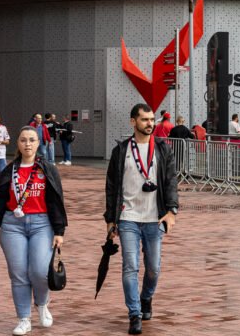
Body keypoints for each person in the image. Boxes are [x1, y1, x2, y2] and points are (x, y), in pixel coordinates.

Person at [0, 126, 67, 336]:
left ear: (38, 143)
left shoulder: (48, 169)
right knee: (18, 274)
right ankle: (24, 319)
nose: (28, 144)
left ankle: (42, 303)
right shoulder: (10, 170)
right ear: (17, 144)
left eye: (32, 140)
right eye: (24, 140)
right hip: (12, 225)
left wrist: (59, 231)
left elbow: (56, 200)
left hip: (42, 224)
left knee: (39, 271)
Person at [105, 104, 179, 335]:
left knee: (153, 268)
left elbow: (171, 181)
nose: (150, 123)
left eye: (152, 119)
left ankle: (146, 297)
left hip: (155, 218)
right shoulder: (121, 150)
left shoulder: (162, 148)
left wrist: (172, 211)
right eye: (145, 119)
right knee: (130, 266)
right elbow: (111, 187)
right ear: (133, 122)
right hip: (128, 217)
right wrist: (110, 219)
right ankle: (134, 314)